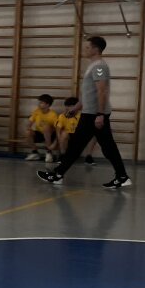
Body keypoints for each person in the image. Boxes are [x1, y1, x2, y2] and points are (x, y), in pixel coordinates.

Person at [38, 35, 131, 189]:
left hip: (94, 115)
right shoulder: (93, 66)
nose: (85, 50)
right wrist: (76, 108)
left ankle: (58, 174)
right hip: (90, 113)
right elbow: (88, 93)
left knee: (80, 145)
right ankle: (121, 176)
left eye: (87, 47)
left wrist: (100, 114)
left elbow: (101, 91)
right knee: (102, 146)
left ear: (96, 49)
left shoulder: (99, 67)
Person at [23, 94, 58, 162]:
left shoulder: (53, 114)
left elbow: (57, 129)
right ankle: (35, 152)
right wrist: (28, 128)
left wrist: (55, 140)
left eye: (41, 103)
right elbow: (29, 123)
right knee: (28, 132)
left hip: (50, 135)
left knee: (46, 127)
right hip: (39, 133)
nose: (39, 104)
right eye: (39, 102)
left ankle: (49, 152)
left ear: (47, 105)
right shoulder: (36, 111)